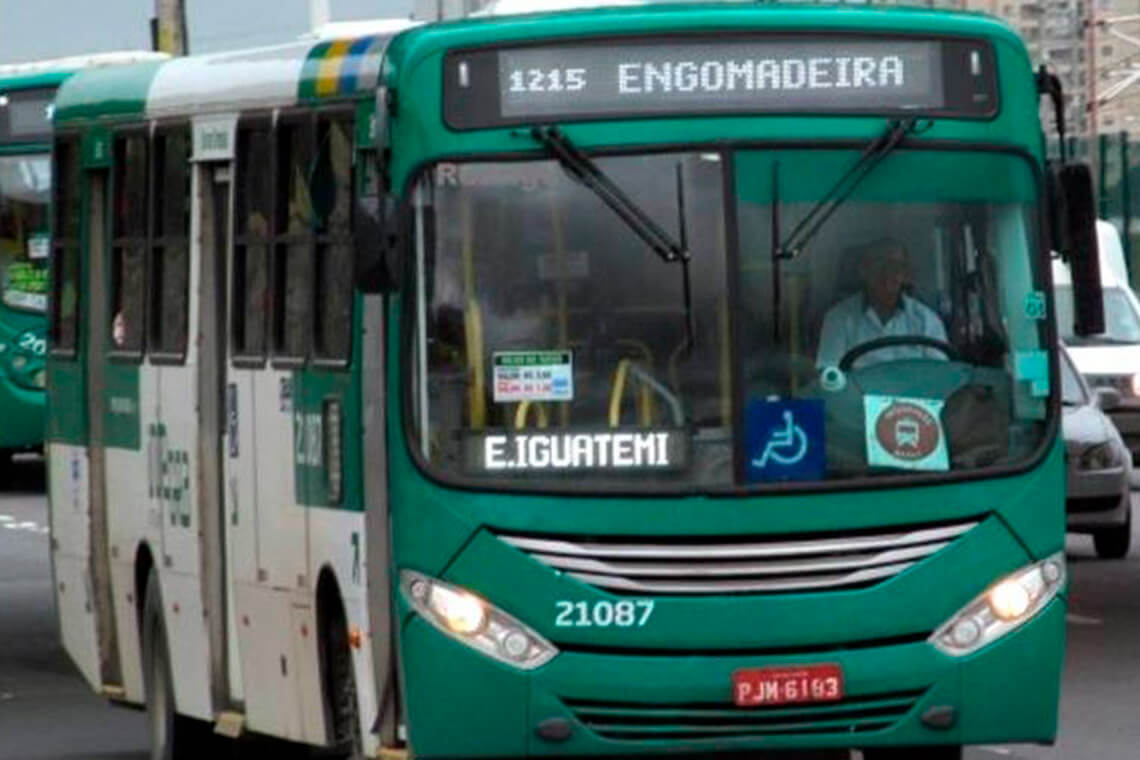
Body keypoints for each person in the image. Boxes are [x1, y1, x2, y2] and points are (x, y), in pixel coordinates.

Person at [816, 238, 948, 370]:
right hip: (858, 390)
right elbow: (829, 375)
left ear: (905, 275)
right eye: (878, 265)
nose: (886, 274)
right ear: (864, 270)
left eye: (895, 267)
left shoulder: (927, 320)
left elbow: (940, 374)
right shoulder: (838, 318)